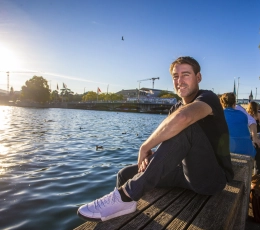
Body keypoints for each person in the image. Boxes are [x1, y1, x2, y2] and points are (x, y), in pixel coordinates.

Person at [77, 56, 234, 221]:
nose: (179, 80)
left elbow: (183, 119)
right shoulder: (175, 107)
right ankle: (123, 217)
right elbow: (173, 144)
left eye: (186, 74)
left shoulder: (208, 98)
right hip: (184, 172)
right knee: (126, 174)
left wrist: (145, 147)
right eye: (175, 76)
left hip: (211, 178)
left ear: (198, 77)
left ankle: (126, 195)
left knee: (186, 127)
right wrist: (153, 157)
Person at [220, 93, 260, 175]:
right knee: (259, 148)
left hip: (226, 151)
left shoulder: (219, 115)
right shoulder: (242, 114)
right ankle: (258, 176)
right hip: (245, 150)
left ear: (222, 103)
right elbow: (253, 122)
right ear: (234, 103)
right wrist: (255, 138)